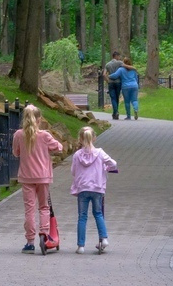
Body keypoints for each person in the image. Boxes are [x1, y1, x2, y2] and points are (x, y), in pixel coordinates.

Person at [12, 104, 64, 253]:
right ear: (39, 119)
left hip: (26, 177)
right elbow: (59, 147)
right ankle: (45, 234)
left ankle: (29, 242)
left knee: (29, 209)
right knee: (44, 207)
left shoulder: (18, 135)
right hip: (43, 177)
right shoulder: (45, 136)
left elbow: (16, 153)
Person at [70, 126, 114, 254]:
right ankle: (104, 238)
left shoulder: (77, 155)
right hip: (97, 188)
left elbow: (73, 171)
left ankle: (81, 246)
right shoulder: (100, 153)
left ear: (80, 139)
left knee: (82, 217)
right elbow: (113, 164)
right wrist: (106, 168)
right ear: (94, 138)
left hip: (83, 188)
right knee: (98, 214)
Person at [104, 51, 124, 119]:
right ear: (116, 56)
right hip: (118, 82)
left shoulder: (107, 64)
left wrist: (108, 81)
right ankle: (116, 112)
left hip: (111, 83)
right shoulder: (120, 63)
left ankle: (115, 112)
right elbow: (125, 68)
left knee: (113, 98)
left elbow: (104, 74)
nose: (119, 57)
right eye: (119, 56)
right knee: (117, 97)